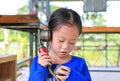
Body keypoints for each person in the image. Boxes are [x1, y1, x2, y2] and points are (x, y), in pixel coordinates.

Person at [28, 8, 92, 81]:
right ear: (48, 35)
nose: (65, 47)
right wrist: (41, 69)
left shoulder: (80, 63)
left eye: (72, 42)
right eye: (61, 40)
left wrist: (73, 76)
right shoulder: (38, 62)